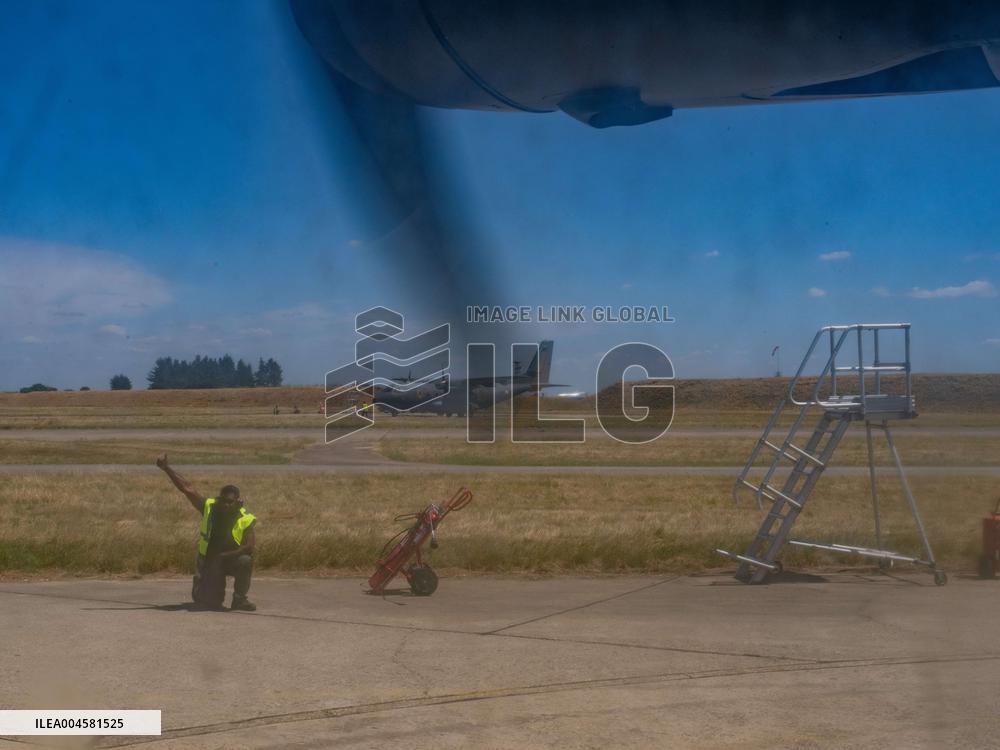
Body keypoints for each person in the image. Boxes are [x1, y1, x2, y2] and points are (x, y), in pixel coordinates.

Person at [155, 454, 258, 611]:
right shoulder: (209, 507)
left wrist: (226, 555)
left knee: (245, 561)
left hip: (231, 559)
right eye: (222, 500)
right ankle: (201, 584)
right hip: (210, 561)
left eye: (230, 502)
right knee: (210, 604)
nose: (225, 505)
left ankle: (240, 599)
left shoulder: (245, 518)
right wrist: (166, 468)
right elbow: (187, 488)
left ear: (238, 502)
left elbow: (249, 547)